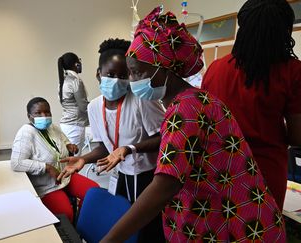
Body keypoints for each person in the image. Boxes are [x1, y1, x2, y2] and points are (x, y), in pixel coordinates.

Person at [101, 7, 285, 242]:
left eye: (137, 73)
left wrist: (109, 239)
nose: (132, 81)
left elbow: (164, 186)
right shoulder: (194, 100)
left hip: (237, 229)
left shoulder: (186, 110)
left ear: (163, 67)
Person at [59, 38, 166, 242]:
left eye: (123, 75)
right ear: (98, 74)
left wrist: (130, 148)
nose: (117, 80)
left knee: (147, 230)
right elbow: (104, 147)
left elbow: (165, 138)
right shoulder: (94, 107)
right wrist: (84, 159)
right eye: (110, 74)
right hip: (121, 176)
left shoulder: (141, 101)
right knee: (122, 225)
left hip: (147, 177)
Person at [201, 0, 301, 210]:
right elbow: (296, 136)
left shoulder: (215, 68)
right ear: (284, 31)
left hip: (218, 168)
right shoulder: (292, 71)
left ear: (242, 27)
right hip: (264, 173)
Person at [10, 97, 99, 223]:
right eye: (38, 113)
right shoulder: (26, 133)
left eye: (47, 112)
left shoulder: (52, 127)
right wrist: (46, 167)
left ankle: (81, 223)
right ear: (29, 116)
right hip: (46, 186)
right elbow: (17, 163)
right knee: (66, 214)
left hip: (65, 176)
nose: (44, 116)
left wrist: (69, 145)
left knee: (94, 192)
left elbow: (64, 139)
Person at [58, 52, 89, 152]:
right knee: (74, 160)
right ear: (76, 64)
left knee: (68, 158)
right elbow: (83, 106)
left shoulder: (63, 81)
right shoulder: (75, 81)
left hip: (66, 124)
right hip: (75, 126)